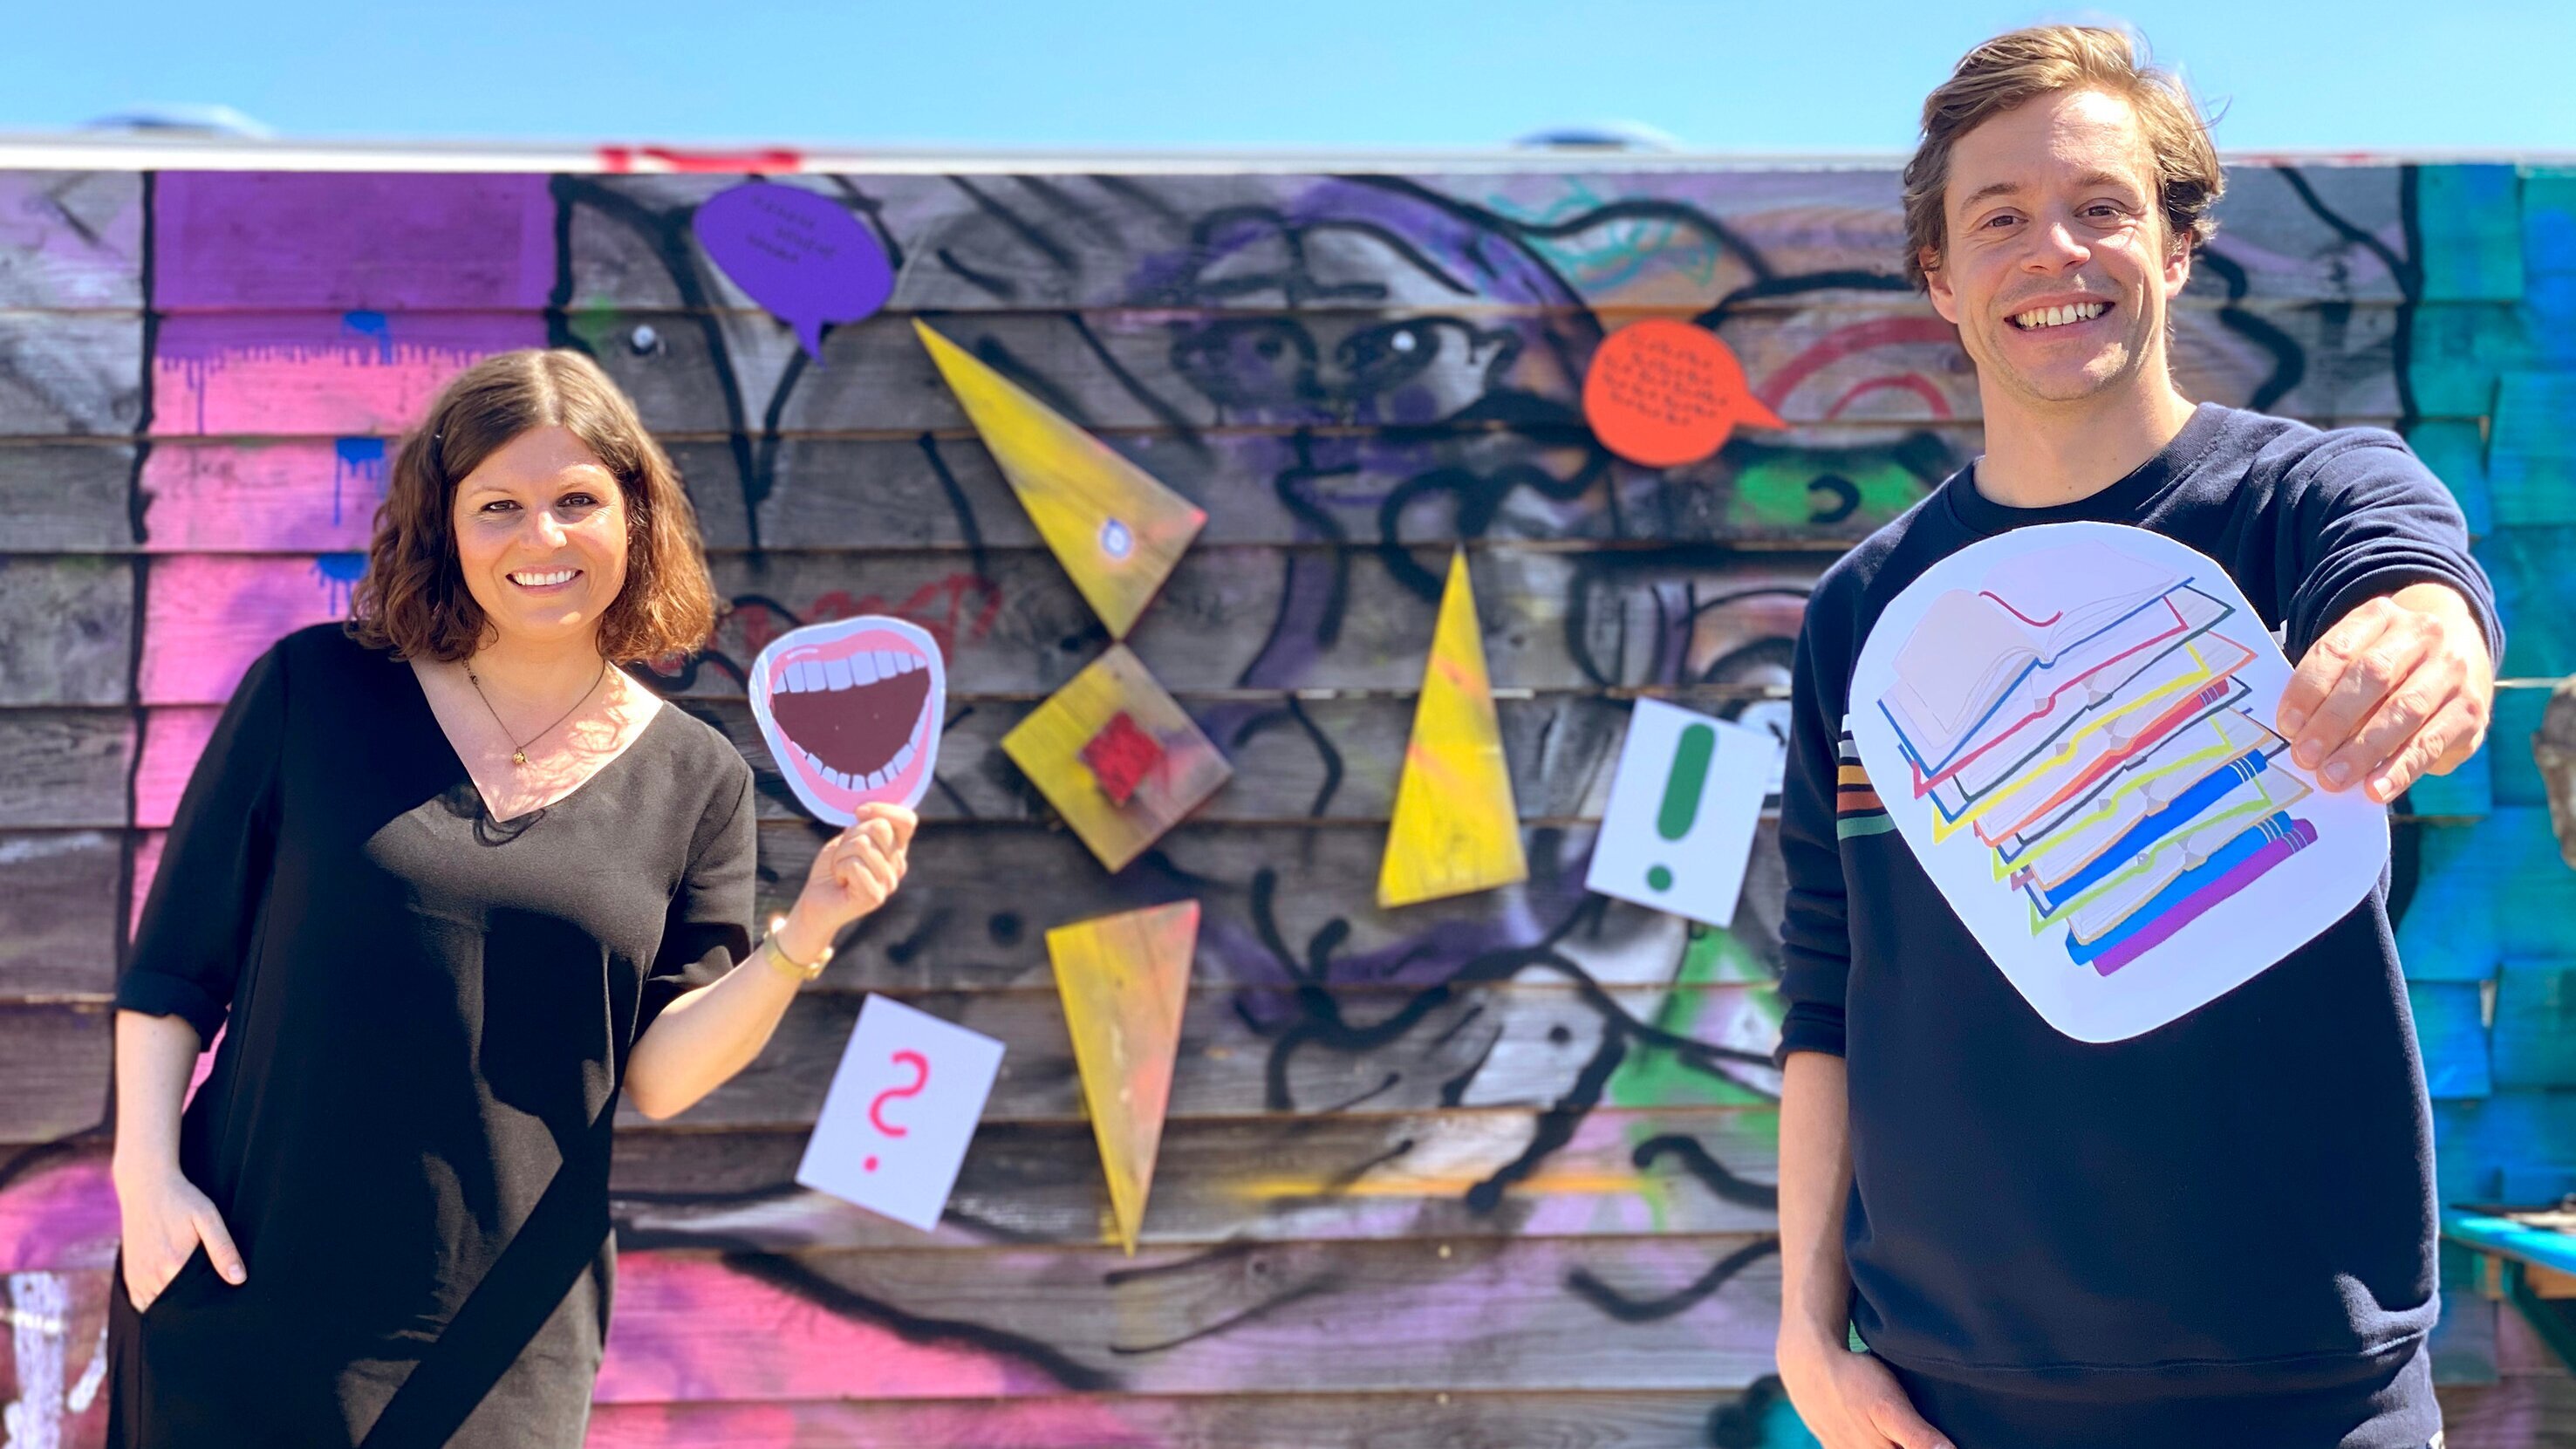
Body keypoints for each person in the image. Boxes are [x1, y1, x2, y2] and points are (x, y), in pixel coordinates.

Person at [1773, 27, 2497, 1449]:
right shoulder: (1860, 612)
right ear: (1939, 278)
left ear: (2174, 245)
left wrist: (2427, 635)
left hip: (2308, 1396)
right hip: (1944, 1405)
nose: (2054, 248)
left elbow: (2408, 575)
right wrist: (1805, 1334)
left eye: (2099, 205)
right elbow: (1827, 989)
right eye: (1998, 218)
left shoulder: (2306, 499)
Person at [106, 348, 914, 1447]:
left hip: (500, 1344)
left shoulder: (697, 778)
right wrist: (146, 1178)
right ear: (446, 526)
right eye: (499, 506)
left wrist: (804, 933)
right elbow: (172, 971)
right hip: (245, 1299)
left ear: (634, 517)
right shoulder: (314, 692)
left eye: (577, 500)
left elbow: (662, 1072)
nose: (542, 537)